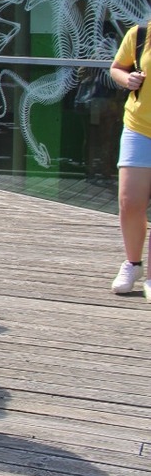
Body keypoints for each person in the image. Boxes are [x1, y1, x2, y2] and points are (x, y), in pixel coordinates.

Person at [109, 18, 151, 296]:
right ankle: (133, 264)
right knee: (129, 202)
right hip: (138, 127)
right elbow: (117, 68)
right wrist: (128, 79)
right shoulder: (140, 34)